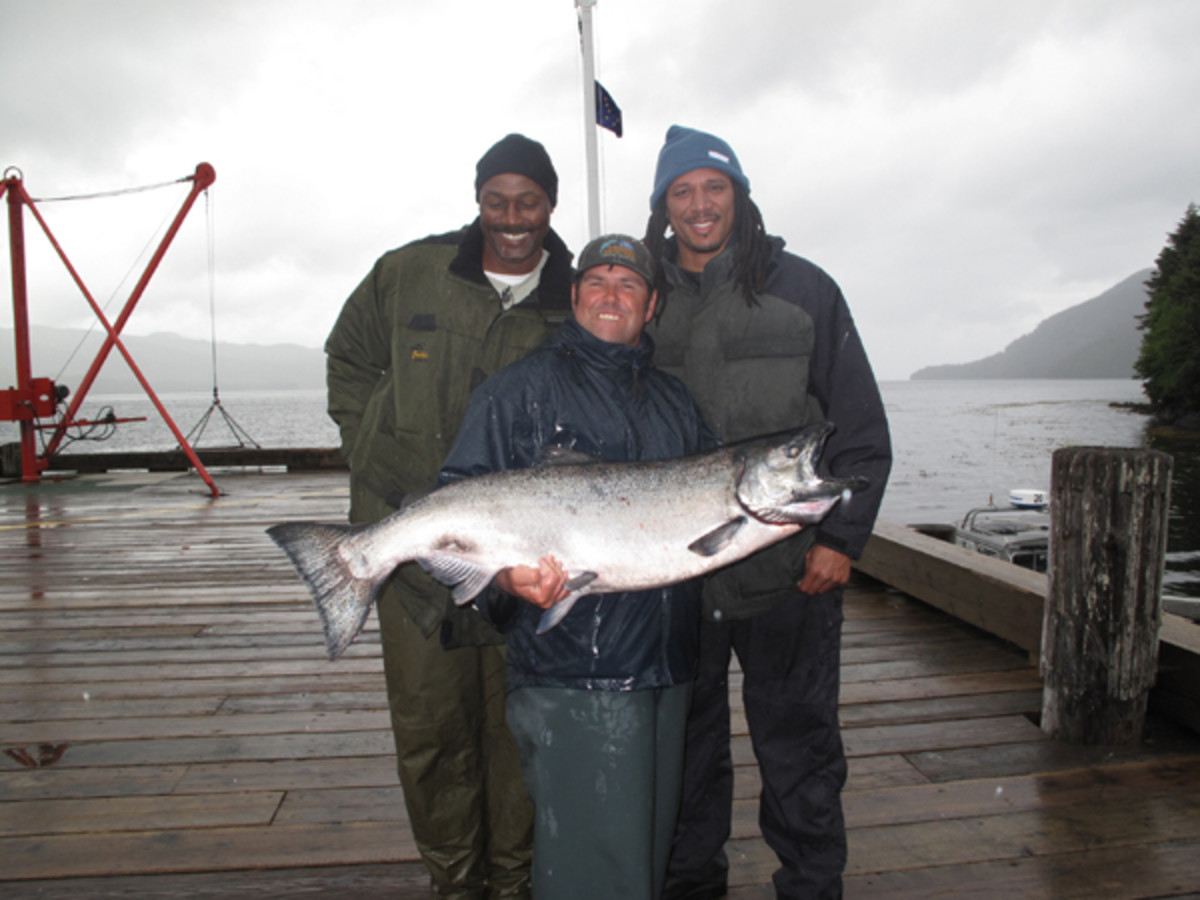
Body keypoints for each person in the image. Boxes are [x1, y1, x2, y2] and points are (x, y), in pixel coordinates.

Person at [642, 125, 892, 900]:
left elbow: (860, 428)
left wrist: (841, 538)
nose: (699, 204)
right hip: (676, 575)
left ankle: (812, 889)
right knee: (685, 756)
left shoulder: (805, 287)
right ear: (662, 207)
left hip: (791, 573)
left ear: (740, 195)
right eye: (681, 192)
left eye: (714, 187)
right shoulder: (639, 296)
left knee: (800, 749)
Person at [325, 133, 574, 900]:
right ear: (477, 200)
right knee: (432, 732)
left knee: (517, 731)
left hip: (522, 564)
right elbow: (349, 358)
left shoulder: (574, 297)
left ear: (549, 205)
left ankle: (512, 881)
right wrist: (376, 447)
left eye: (527, 201)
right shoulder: (406, 273)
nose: (511, 216)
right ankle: (455, 883)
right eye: (497, 200)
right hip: (409, 559)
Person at [438, 234, 719, 900]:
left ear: (651, 306)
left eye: (629, 286)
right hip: (569, 670)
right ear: (573, 296)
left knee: (644, 858)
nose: (612, 296)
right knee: (591, 868)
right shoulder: (517, 392)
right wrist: (505, 579)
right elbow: (454, 508)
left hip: (668, 668)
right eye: (598, 282)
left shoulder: (677, 404)